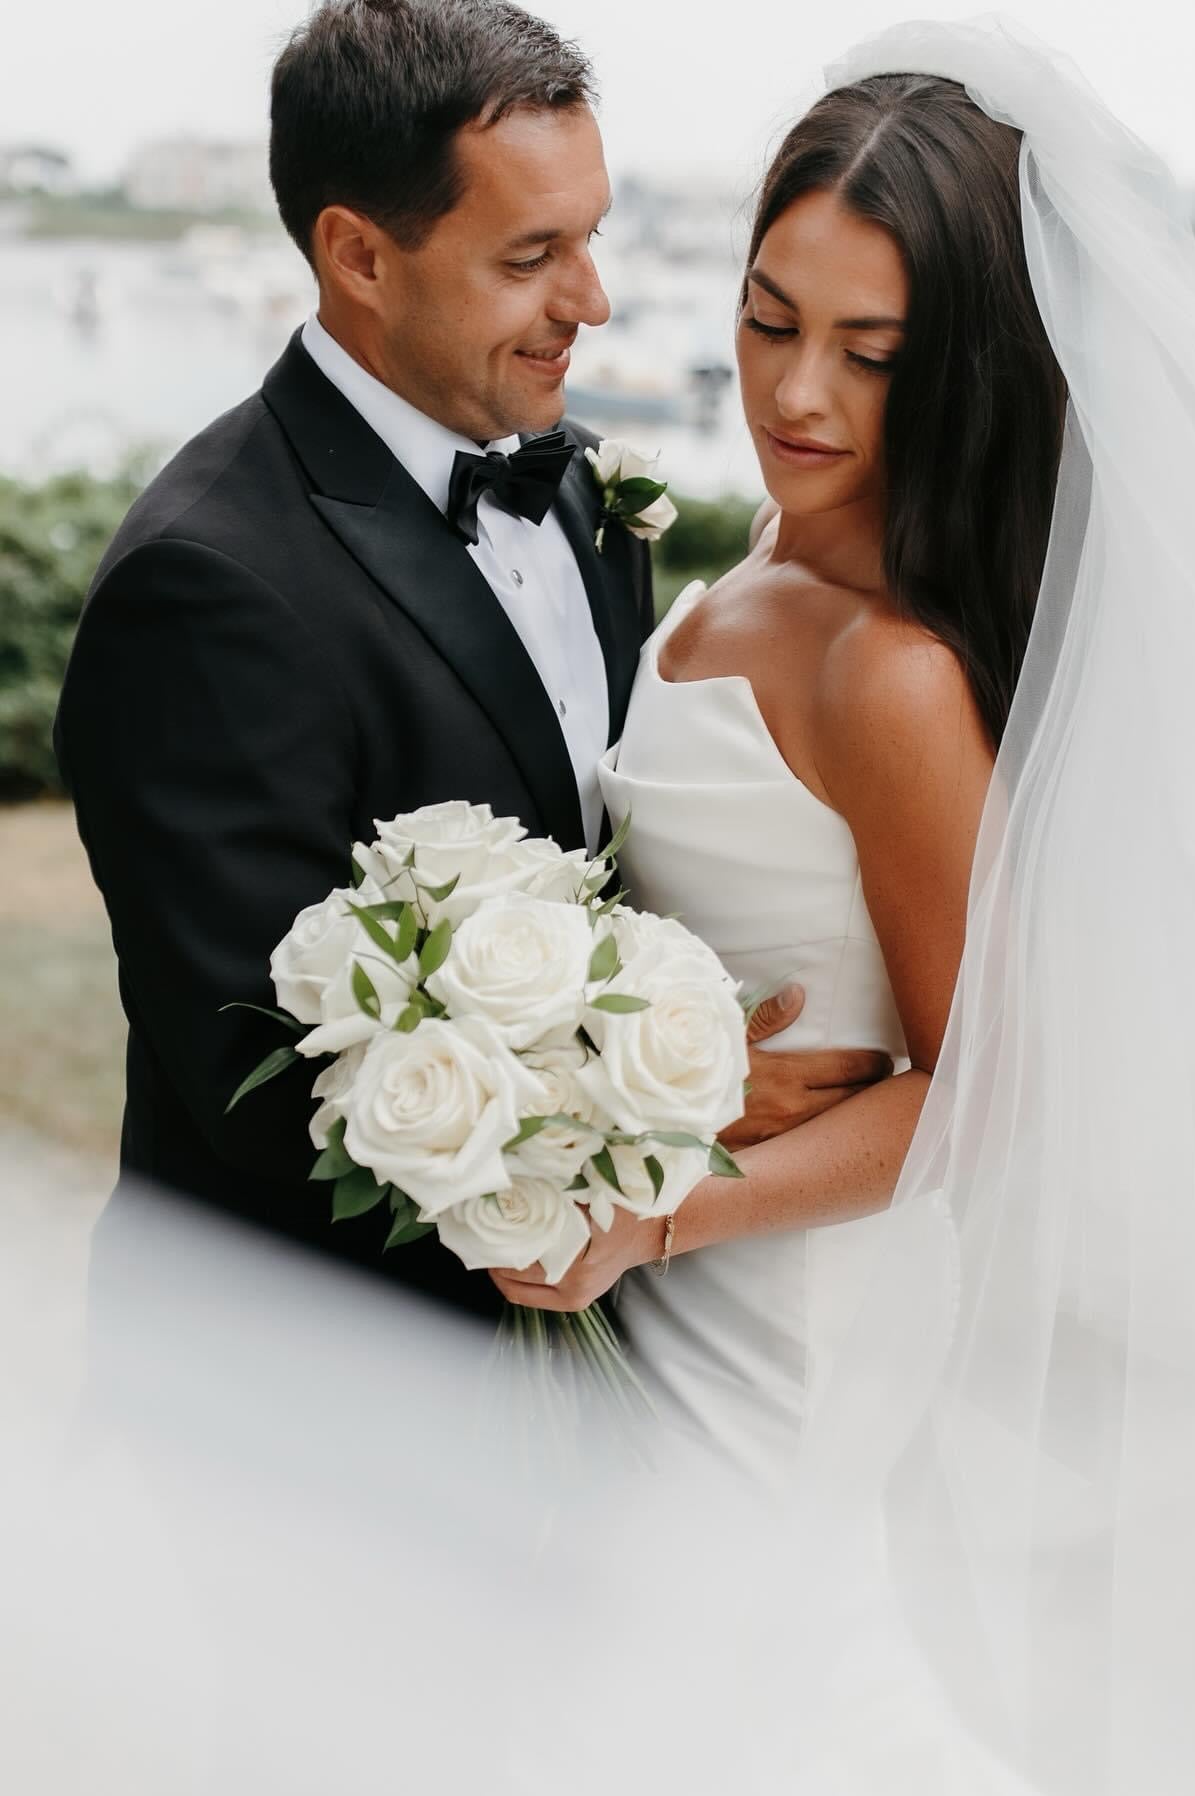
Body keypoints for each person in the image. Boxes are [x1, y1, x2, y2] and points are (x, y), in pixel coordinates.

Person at [493, 21, 1195, 1793]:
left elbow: (1003, 1083)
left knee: (769, 1688)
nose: (797, 399)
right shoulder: (788, 550)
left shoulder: (894, 674)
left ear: (972, 372)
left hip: (776, 1301)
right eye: (771, 318)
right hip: (706, 1257)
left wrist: (663, 1209)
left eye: (871, 356)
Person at [52, 0, 888, 1318]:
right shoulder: (205, 585)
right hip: (322, 1386)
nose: (593, 301)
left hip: (617, 1345)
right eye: (532, 255)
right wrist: (661, 1102)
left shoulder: (574, 495)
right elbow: (260, 1081)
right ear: (360, 257)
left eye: (593, 236)